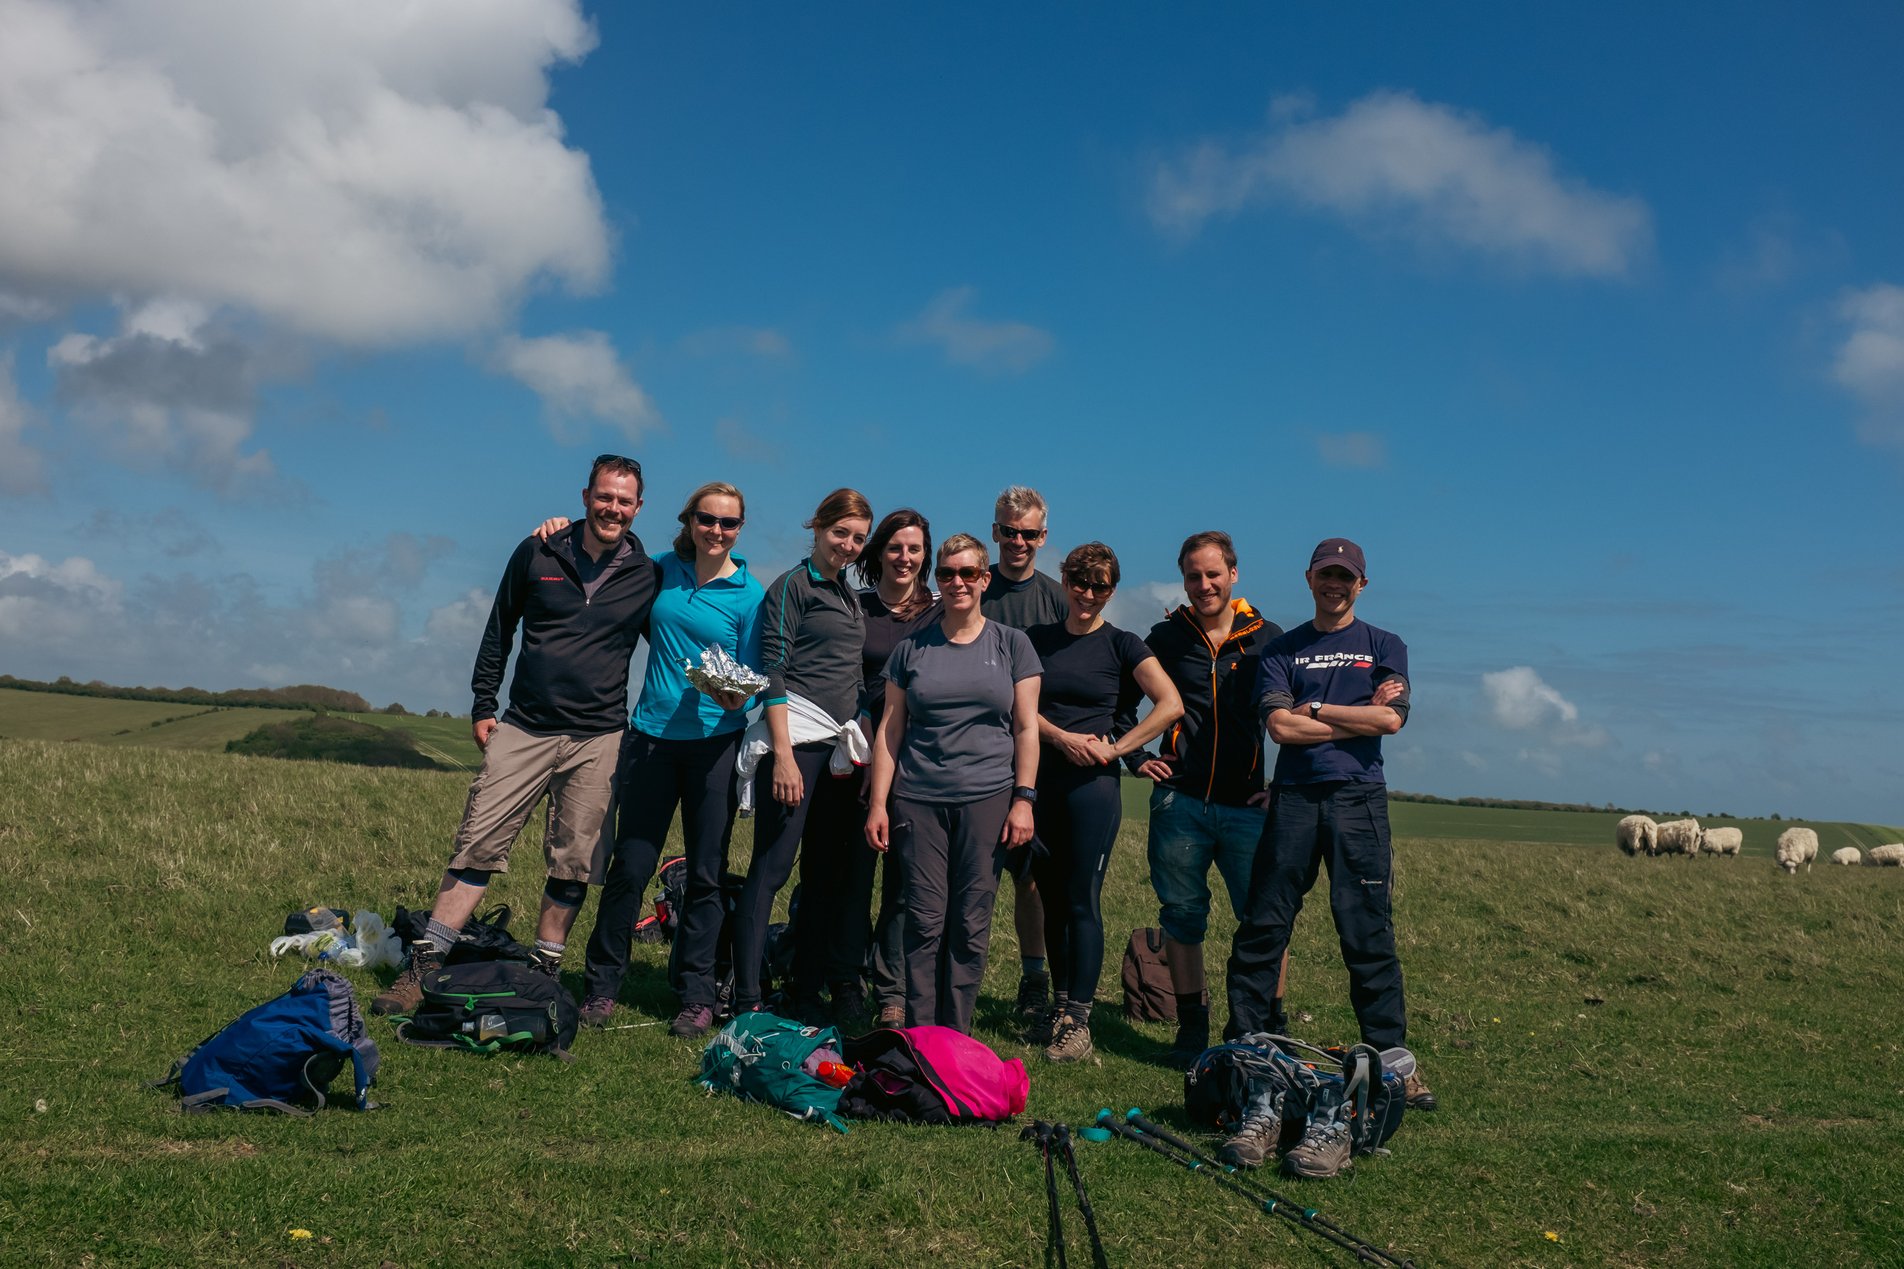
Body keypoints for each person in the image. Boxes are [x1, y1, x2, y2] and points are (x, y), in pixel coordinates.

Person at [372, 455, 658, 1016]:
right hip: (524, 727)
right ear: (585, 496)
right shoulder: (538, 551)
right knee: (477, 844)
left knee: (574, 862)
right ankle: (423, 968)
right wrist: (484, 702)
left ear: (638, 507)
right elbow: (499, 628)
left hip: (599, 737)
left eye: (625, 501)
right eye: (605, 496)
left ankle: (545, 971)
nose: (614, 508)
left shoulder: (649, 574)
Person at [1220, 537, 1431, 1175]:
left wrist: (1314, 708)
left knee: (1366, 930)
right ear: (1309, 578)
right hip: (1294, 800)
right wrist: (1353, 716)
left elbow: (1391, 721)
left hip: (1359, 800)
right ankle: (1246, 1055)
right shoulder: (1281, 649)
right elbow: (1280, 729)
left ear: (1360, 584)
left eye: (1345, 576)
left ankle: (1392, 1064)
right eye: (1325, 574)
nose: (1334, 584)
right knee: (1264, 924)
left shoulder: (1385, 643)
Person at [529, 483, 765, 1038]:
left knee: (706, 875)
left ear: (739, 530)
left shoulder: (750, 593)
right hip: (651, 739)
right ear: (689, 520)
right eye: (707, 519)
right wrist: (556, 530)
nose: (717, 531)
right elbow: (600, 554)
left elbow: (754, 680)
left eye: (729, 524)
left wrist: (739, 696)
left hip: (716, 744)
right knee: (630, 866)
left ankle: (696, 996)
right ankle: (603, 986)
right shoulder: (659, 570)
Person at [864, 534, 1040, 1032]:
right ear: (936, 581)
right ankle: (921, 1034)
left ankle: (956, 1034)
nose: (957, 582)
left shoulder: (1012, 645)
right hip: (918, 799)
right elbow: (890, 731)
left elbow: (1027, 728)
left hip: (988, 798)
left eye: (968, 573)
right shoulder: (911, 649)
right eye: (947, 574)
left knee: (970, 921)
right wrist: (879, 803)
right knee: (923, 919)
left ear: (985, 579)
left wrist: (1023, 799)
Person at [1025, 542, 1183, 1063]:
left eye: (1101, 586)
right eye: (1080, 582)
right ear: (1065, 581)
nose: (1088, 594)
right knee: (1048, 896)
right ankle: (1059, 1007)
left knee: (1081, 897)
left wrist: (1119, 749)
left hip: (1092, 789)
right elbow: (1016, 703)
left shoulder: (1123, 644)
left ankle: (1079, 1019)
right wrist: (1058, 736)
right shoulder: (1036, 640)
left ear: (1112, 591)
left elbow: (1170, 703)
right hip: (1041, 779)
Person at [1131, 531, 1284, 1065]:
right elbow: (1117, 699)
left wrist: (1279, 790)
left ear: (1233, 575)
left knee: (1264, 918)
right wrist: (1135, 756)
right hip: (1181, 804)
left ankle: (1267, 1027)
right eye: (1193, 576)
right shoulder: (1167, 637)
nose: (1204, 585)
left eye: (1213, 574)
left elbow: (1296, 717)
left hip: (1248, 806)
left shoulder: (1270, 639)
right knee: (1182, 915)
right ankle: (1191, 1028)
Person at [729, 489, 874, 1021]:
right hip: (796, 746)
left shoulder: (847, 592)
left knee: (821, 875)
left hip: (835, 749)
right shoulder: (794, 585)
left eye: (859, 538)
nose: (849, 545)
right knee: (771, 870)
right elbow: (775, 668)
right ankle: (747, 999)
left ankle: (803, 991)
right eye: (841, 533)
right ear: (817, 526)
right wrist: (784, 755)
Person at [979, 485, 1067, 1025]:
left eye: (1028, 534)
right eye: (1008, 532)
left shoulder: (1058, 597)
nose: (1018, 542)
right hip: (975, 753)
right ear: (994, 532)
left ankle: (1034, 980)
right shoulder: (972, 586)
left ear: (1043, 537)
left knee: (1030, 876)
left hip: (1036, 756)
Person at [852, 509, 943, 1027]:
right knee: (849, 878)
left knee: (904, 885)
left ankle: (892, 991)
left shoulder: (937, 611)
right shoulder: (856, 606)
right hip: (853, 754)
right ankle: (841, 976)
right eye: (895, 547)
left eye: (914, 549)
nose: (905, 558)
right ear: (878, 552)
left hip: (915, 763)